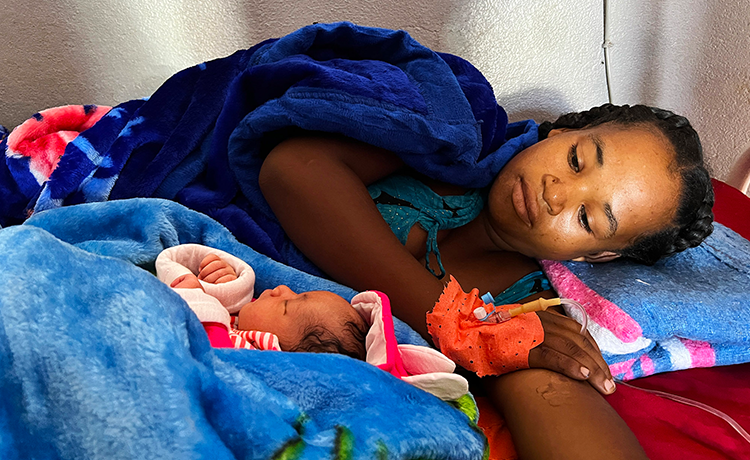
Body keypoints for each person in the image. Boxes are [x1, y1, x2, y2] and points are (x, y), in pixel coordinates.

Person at [257, 103, 714, 460]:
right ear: (559, 133)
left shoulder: (526, 309)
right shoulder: (449, 145)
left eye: (587, 217)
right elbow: (293, 167)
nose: (555, 192)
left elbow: (554, 397)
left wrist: (500, 341)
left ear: (596, 255)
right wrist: (457, 323)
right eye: (576, 160)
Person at [157, 244, 369, 360]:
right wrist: (224, 286)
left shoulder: (248, 355)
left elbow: (209, 350)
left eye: (286, 306)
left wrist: (196, 299)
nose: (283, 289)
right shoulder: (250, 322)